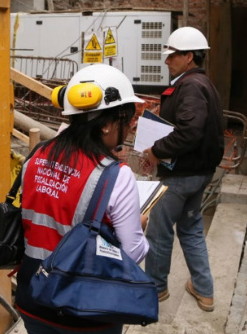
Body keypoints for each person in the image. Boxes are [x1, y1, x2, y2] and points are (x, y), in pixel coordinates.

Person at [15, 64, 149, 334]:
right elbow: (132, 252)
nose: (131, 127)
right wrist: (141, 225)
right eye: (129, 119)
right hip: (84, 310)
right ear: (108, 125)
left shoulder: (36, 156)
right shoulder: (116, 176)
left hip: (33, 297)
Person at [141, 26, 224, 311]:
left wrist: (155, 151)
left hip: (181, 175)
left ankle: (155, 288)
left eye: (172, 56)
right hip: (199, 174)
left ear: (189, 56)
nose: (167, 61)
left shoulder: (189, 86)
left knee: (158, 231)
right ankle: (204, 290)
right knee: (190, 229)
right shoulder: (202, 84)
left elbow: (190, 132)